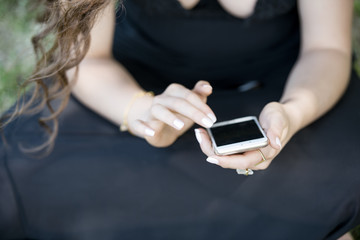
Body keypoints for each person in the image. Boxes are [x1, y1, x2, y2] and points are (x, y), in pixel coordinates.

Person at [1, 0, 360, 239]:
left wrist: (293, 113)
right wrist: (141, 112)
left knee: (316, 204)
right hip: (134, 88)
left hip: (287, 88)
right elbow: (88, 59)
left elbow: (326, 49)